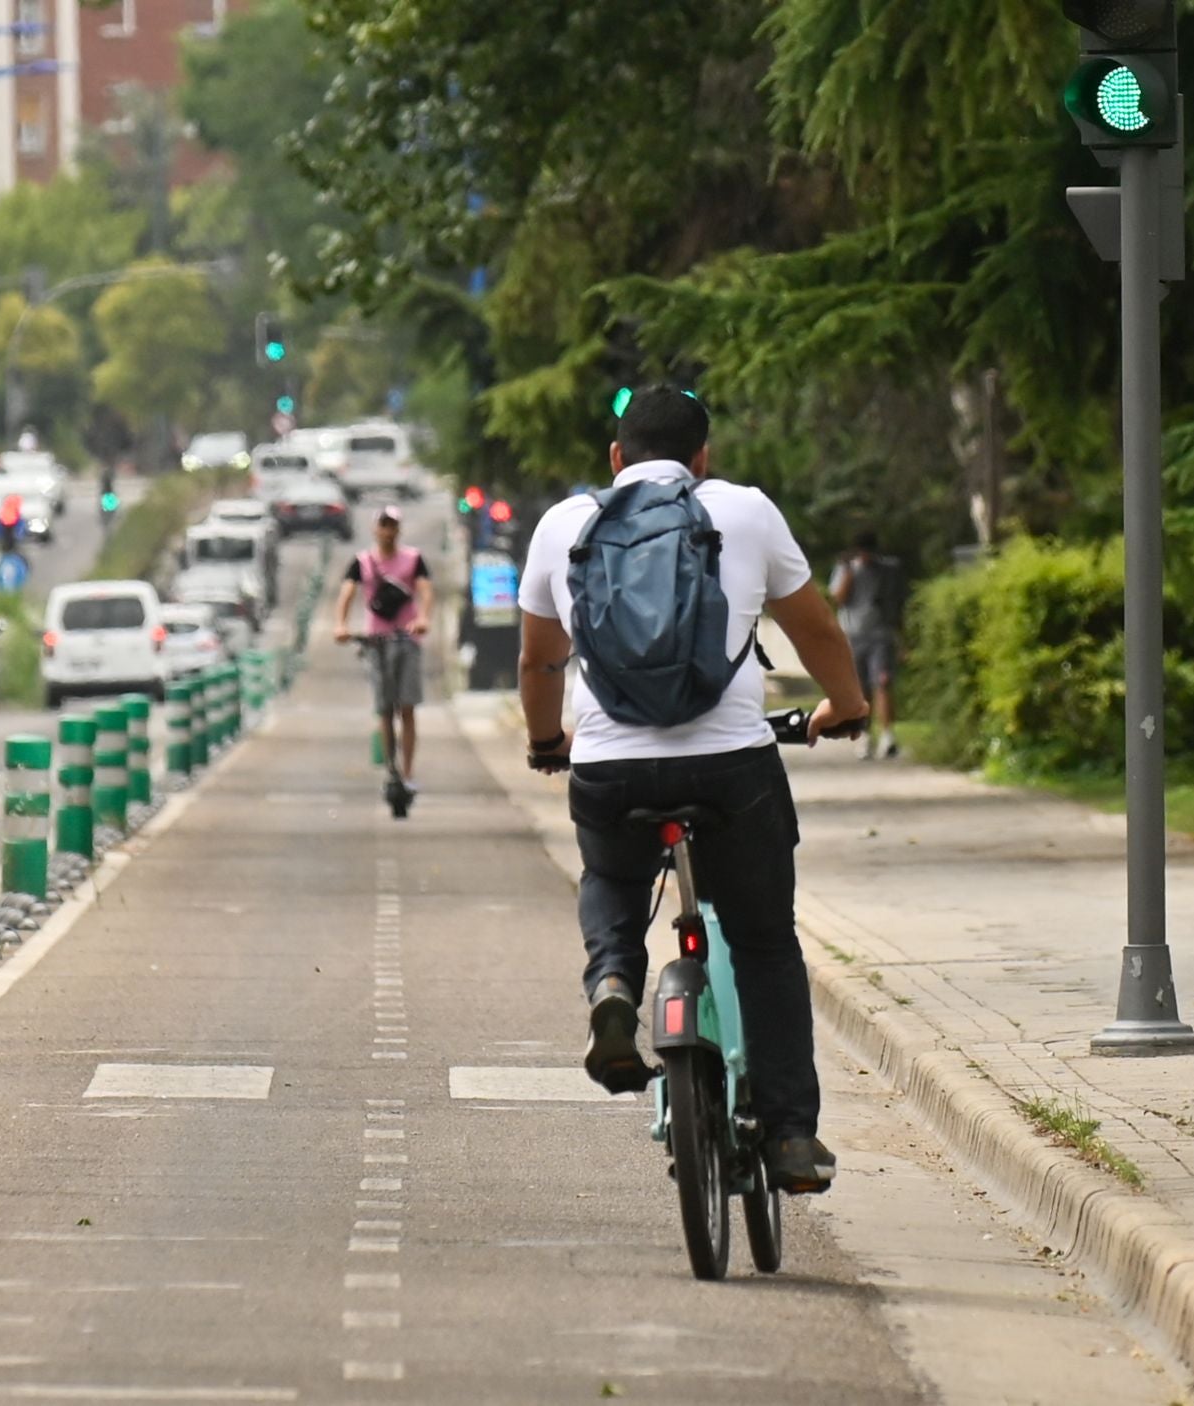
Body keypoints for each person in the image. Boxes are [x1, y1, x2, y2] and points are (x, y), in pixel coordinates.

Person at [515, 385, 868, 1194]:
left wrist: (546, 742)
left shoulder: (565, 525)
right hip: (731, 766)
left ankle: (613, 981)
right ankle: (788, 1136)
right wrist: (845, 706)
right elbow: (814, 626)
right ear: (703, 457)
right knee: (765, 943)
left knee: (612, 875)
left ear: (616, 458)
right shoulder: (743, 510)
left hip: (609, 765)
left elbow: (539, 661)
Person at [333, 505, 434, 787]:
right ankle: (391, 766)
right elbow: (347, 594)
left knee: (407, 707)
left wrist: (423, 619)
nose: (388, 531)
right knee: (384, 707)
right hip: (376, 642)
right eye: (383, 525)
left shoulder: (414, 560)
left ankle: (409, 771)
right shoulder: (362, 562)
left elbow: (426, 591)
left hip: (407, 640)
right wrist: (340, 625)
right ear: (375, 529)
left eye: (392, 525)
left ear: (398, 529)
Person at [829, 530, 901, 759]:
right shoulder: (846, 569)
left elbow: (896, 602)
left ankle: (888, 735)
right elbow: (838, 598)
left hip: (880, 634)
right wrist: (850, 570)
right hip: (852, 635)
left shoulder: (887, 570)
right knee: (861, 690)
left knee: (882, 682)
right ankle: (864, 736)